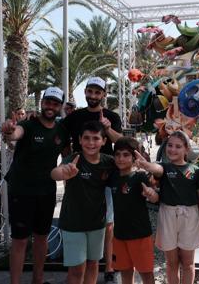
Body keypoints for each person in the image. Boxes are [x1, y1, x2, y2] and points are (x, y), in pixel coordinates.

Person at [1, 87, 69, 284]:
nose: (50, 106)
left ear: (60, 107)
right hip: (21, 191)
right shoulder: (28, 125)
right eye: (48, 102)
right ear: (42, 103)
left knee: (42, 237)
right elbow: (15, 134)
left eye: (55, 104)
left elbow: (67, 157)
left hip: (46, 191)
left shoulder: (62, 131)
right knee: (20, 240)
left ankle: (37, 281)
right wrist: (9, 130)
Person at [62, 76, 122, 284]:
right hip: (79, 175)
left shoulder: (112, 116)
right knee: (80, 218)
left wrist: (107, 128)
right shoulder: (75, 116)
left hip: (106, 174)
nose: (93, 96)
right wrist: (67, 163)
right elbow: (60, 136)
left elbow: (121, 143)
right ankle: (79, 263)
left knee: (108, 223)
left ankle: (110, 267)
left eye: (98, 92)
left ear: (104, 95)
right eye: (90, 91)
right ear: (85, 92)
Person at [135, 131, 199, 284]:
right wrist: (147, 165)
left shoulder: (195, 171)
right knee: (171, 263)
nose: (173, 149)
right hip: (168, 215)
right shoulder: (164, 167)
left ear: (186, 149)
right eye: (170, 145)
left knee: (188, 263)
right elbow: (157, 170)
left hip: (190, 217)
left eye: (178, 146)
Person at [51, 121, 115, 284]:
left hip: (97, 224)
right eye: (86, 138)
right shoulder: (73, 159)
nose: (91, 143)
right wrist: (63, 173)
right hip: (73, 224)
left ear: (104, 141)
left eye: (96, 138)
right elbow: (55, 173)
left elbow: (127, 169)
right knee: (77, 270)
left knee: (93, 263)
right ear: (79, 140)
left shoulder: (109, 162)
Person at [110, 137, 158, 284]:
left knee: (146, 275)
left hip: (140, 235)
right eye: (117, 154)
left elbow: (155, 197)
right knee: (125, 273)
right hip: (119, 235)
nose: (121, 159)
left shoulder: (140, 176)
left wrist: (151, 194)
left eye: (126, 155)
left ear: (133, 157)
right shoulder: (112, 177)